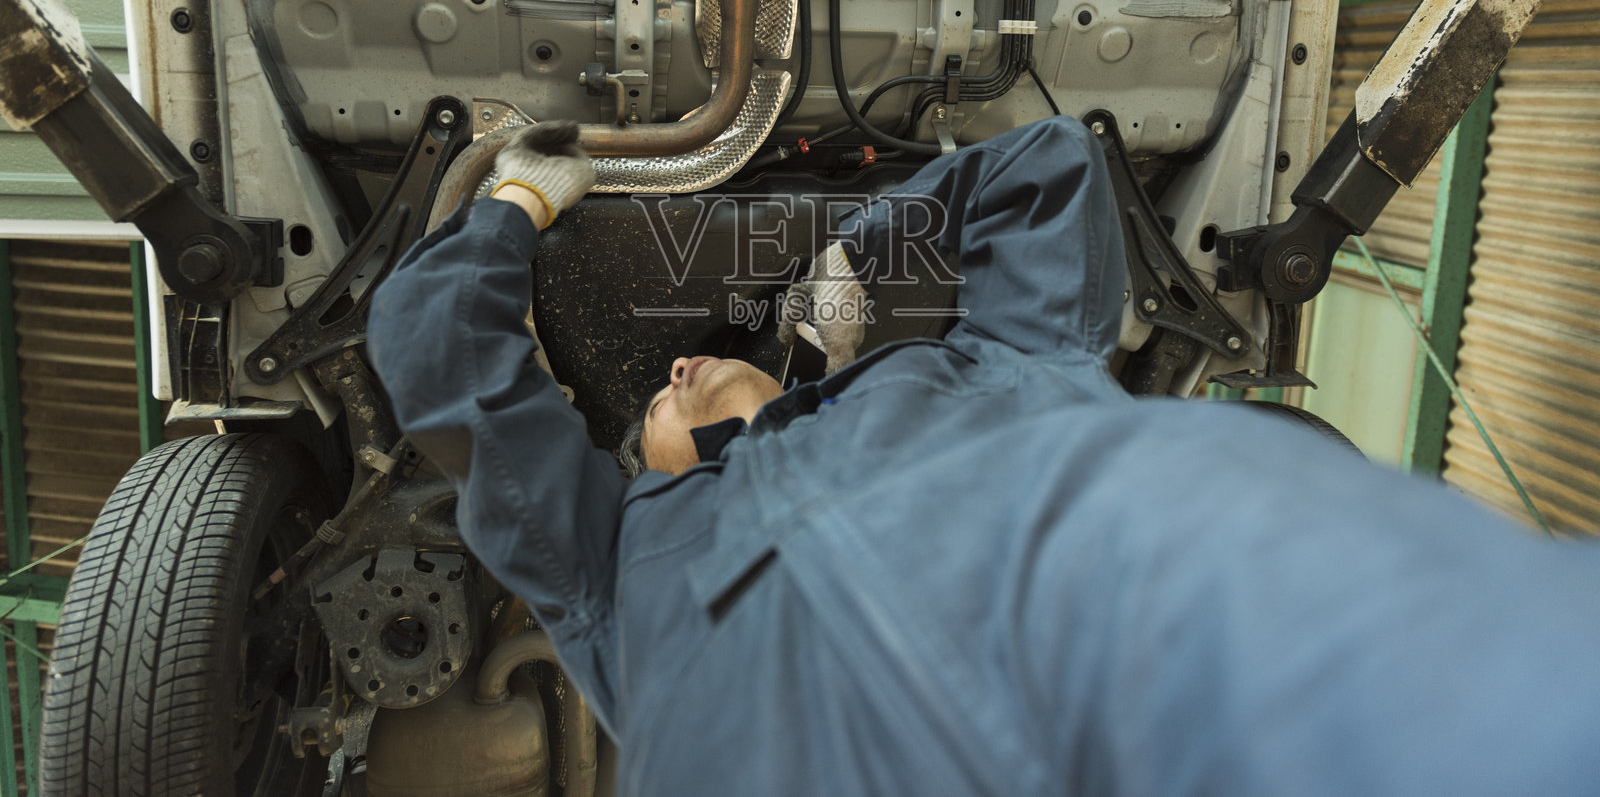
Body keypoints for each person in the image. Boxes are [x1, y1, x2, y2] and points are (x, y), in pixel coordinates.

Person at [368, 116, 1600, 796]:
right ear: (635, 470)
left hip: (1145, 586)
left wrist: (850, 273)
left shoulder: (982, 360)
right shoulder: (602, 558)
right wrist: (513, 203)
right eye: (653, 403)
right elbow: (442, 361)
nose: (675, 369)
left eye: (683, 367)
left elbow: (1043, 170)